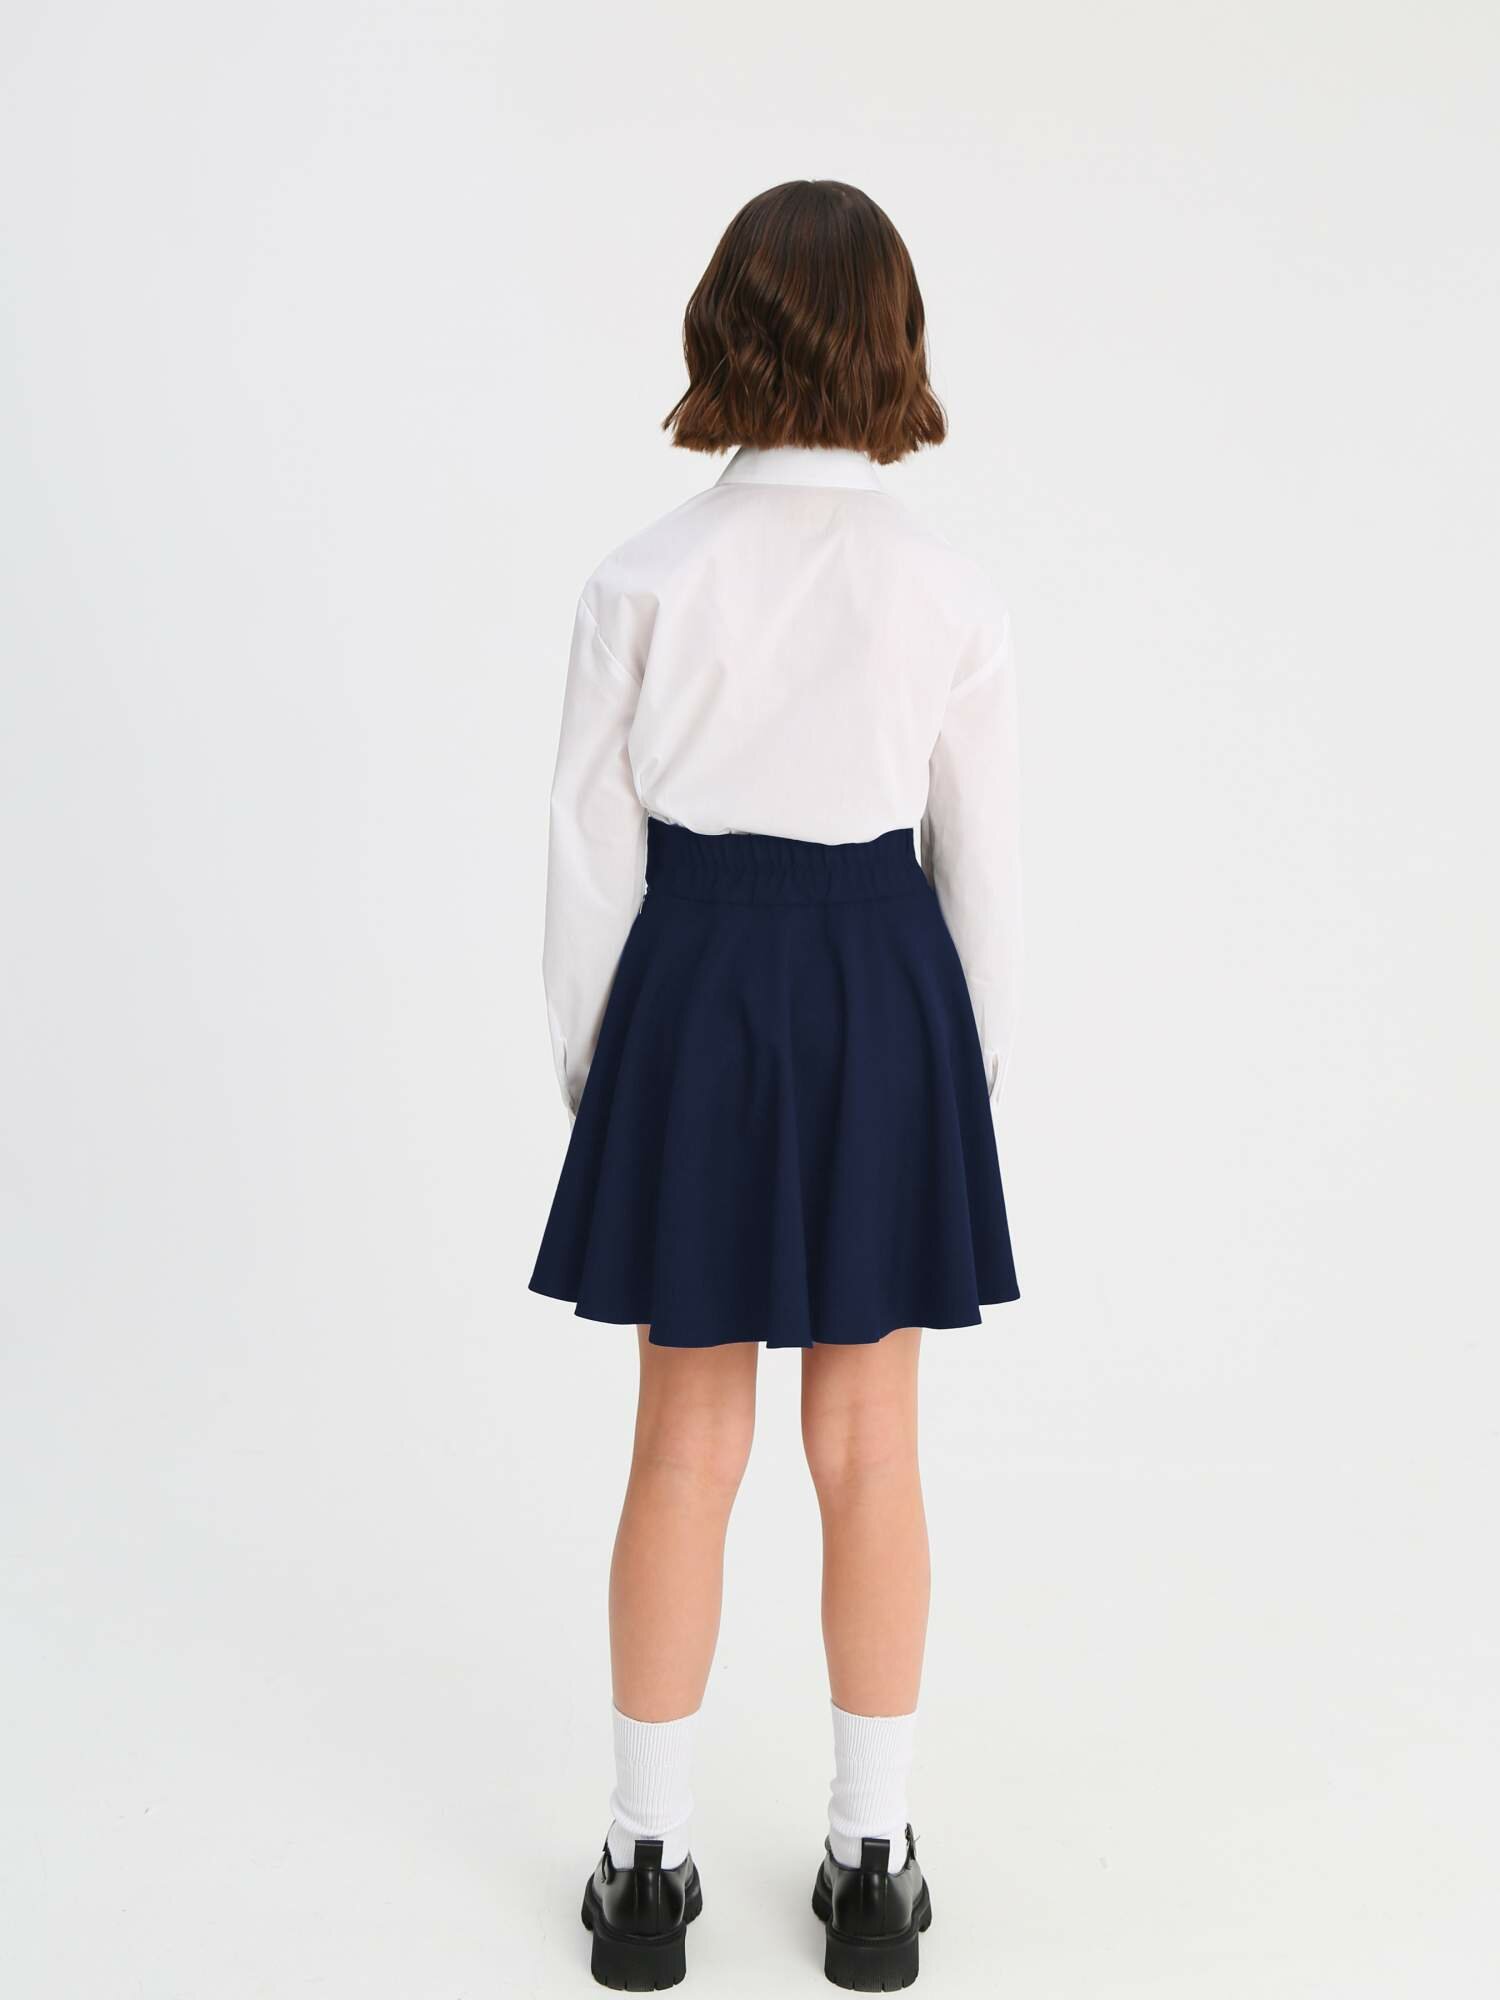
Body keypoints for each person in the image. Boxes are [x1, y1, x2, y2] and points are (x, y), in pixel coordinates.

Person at [529, 178, 1021, 1991]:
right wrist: (961, 1079)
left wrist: (605, 1076)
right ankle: (873, 1861)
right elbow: (984, 864)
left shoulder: (641, 576)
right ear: (896, 342)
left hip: (695, 986)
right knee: (869, 1442)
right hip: (886, 984)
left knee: (684, 1439)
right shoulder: (948, 587)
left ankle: (646, 1865)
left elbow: (590, 858)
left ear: (721, 330)